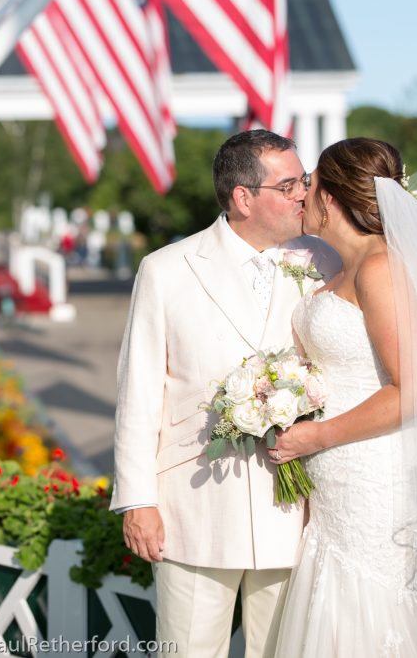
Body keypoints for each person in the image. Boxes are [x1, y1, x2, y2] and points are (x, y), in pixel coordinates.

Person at [110, 130, 342, 658]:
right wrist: (138, 500)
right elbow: (139, 392)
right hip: (192, 505)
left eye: (303, 181)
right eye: (289, 185)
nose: (304, 194)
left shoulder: (323, 262)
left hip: (294, 505)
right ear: (243, 196)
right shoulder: (166, 270)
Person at [269, 137, 417, 657]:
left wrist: (315, 435)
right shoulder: (344, 267)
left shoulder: (380, 269)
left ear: (332, 200)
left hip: (371, 476)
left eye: (310, 185)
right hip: (336, 481)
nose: (302, 197)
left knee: (368, 607)